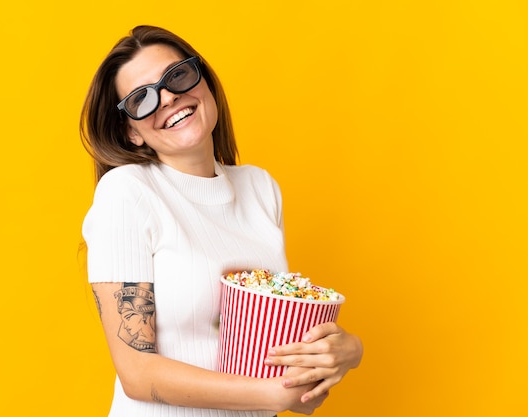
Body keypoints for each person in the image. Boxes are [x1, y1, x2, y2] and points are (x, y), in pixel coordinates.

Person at [80, 25, 363, 417]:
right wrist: (274, 396)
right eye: (141, 99)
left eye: (177, 75)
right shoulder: (126, 193)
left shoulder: (260, 188)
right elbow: (137, 373)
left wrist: (342, 353)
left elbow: (272, 356)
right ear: (131, 132)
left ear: (204, 81)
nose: (167, 98)